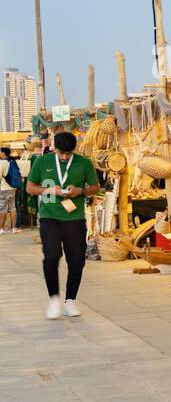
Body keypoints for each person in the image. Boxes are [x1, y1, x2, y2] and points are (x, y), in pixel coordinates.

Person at [26, 131, 100, 319]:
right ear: (54, 148)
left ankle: (70, 301)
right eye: (62, 153)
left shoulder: (84, 163)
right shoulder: (42, 162)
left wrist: (80, 191)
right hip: (49, 217)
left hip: (74, 218)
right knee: (51, 256)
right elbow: (30, 187)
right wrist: (48, 189)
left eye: (69, 153)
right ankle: (53, 298)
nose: (65, 157)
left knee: (76, 260)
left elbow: (95, 187)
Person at [0, 147, 19, 233]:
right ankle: (13, 228)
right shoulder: (12, 161)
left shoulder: (2, 163)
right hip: (13, 188)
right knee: (12, 208)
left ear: (3, 153)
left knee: (2, 208)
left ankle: (1, 229)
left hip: (4, 188)